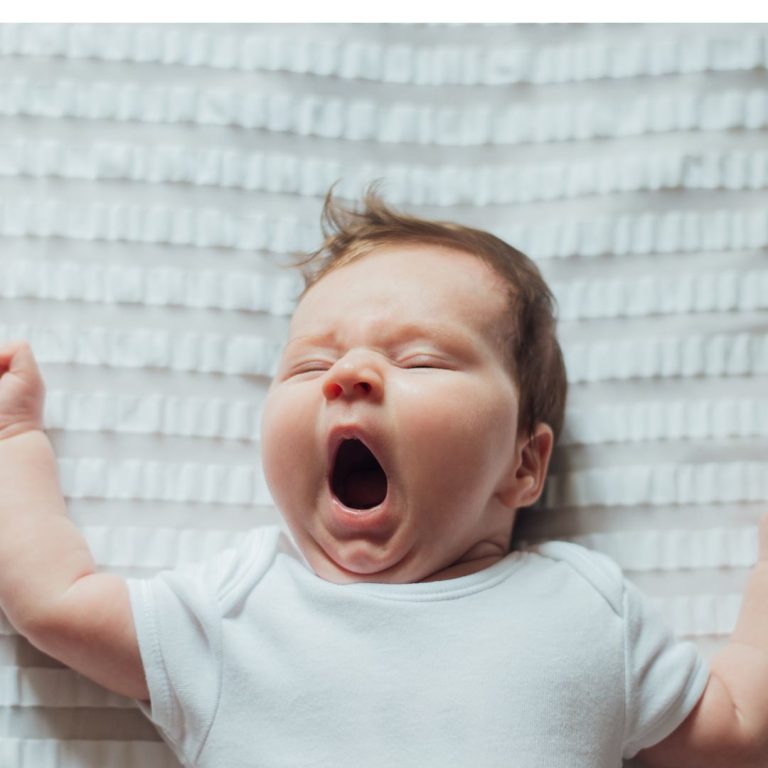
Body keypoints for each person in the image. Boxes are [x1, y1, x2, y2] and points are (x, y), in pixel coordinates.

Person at [0, 189, 766, 768]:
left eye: (419, 359)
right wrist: (14, 436)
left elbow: (737, 726)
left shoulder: (587, 614)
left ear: (524, 464)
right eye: (310, 363)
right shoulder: (236, 613)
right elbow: (54, 599)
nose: (348, 374)